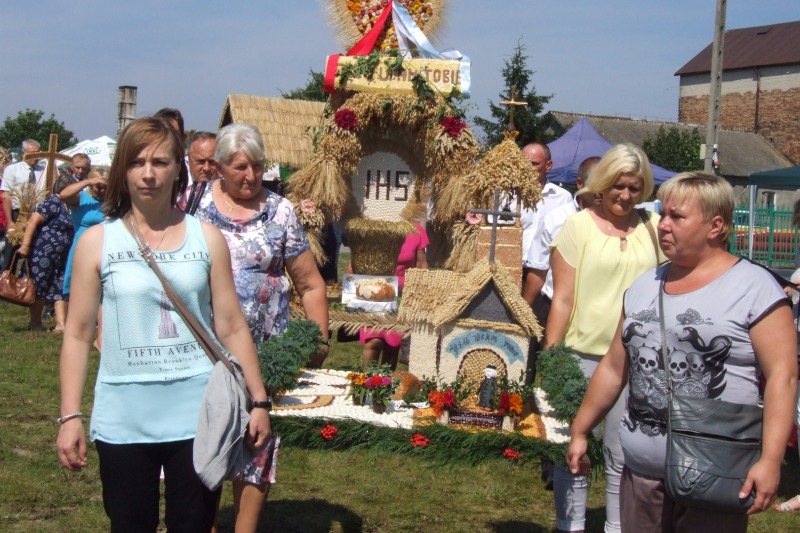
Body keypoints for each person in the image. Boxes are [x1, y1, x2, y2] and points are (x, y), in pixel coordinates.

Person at [55, 117, 271, 532]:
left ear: (177, 170)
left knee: (194, 524)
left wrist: (258, 402)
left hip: (198, 416)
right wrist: (69, 416)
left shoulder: (206, 238)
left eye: (160, 162)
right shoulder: (97, 242)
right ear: (123, 170)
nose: (149, 173)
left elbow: (231, 325)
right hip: (124, 418)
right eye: (137, 162)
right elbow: (79, 335)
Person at [567, 172, 797, 530]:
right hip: (642, 474)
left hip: (715, 473)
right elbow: (614, 367)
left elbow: (783, 378)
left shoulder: (755, 289)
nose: (663, 225)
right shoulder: (643, 286)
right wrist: (581, 430)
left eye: (677, 216)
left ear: (715, 226)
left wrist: (770, 460)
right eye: (663, 214)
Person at [193, 122, 329, 532]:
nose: (250, 176)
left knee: (257, 439)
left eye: (257, 166)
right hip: (207, 351)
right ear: (220, 167)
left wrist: (318, 340)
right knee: (206, 436)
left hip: (266, 354)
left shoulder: (281, 211)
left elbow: (310, 284)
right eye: (240, 167)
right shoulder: (195, 205)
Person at [545, 143, 663, 533]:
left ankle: (617, 526)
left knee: (623, 453)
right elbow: (562, 298)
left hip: (638, 360)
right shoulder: (577, 226)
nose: (625, 195)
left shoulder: (654, 227)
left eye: (634, 188)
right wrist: (552, 355)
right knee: (573, 449)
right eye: (618, 186)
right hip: (581, 355)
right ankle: (570, 525)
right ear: (603, 183)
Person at [523, 156, 601, 386]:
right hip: (550, 303)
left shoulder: (616, 223)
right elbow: (538, 268)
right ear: (580, 183)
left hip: (591, 309)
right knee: (535, 369)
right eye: (596, 183)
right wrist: (523, 311)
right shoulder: (557, 218)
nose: (601, 190)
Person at [354, 221, 429, 370]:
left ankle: (384, 382)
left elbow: (421, 264)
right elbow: (356, 259)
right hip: (373, 292)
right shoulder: (371, 224)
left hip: (402, 295)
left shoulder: (415, 229)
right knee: (374, 342)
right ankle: (367, 381)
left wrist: (422, 291)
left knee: (392, 345)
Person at [17, 192, 74, 331]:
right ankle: (35, 323)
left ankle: (61, 324)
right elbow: (32, 222)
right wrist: (25, 246)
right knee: (40, 285)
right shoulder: (53, 201)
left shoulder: (71, 205)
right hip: (43, 252)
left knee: (61, 286)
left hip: (62, 255)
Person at [179, 131, 217, 214]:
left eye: (212, 162)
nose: (206, 168)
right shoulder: (176, 187)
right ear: (188, 159)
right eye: (201, 161)